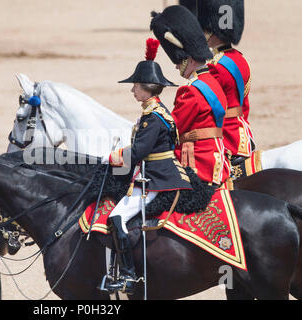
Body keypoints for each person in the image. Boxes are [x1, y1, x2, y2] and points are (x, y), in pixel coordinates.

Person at [101, 38, 193, 294]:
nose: (132, 91)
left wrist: (113, 157)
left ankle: (129, 276)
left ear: (147, 88)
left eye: (135, 86)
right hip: (155, 174)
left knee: (116, 217)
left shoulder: (152, 118)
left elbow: (139, 152)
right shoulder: (155, 112)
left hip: (158, 178)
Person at [150, 5, 230, 186]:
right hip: (217, 159)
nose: (177, 66)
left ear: (191, 59)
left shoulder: (191, 91)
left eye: (180, 61)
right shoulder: (213, 82)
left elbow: (172, 129)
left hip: (199, 164)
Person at [180, 0, 255, 161]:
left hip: (226, 137)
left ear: (211, 32)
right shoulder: (240, 59)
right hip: (242, 134)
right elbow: (243, 104)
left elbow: (206, 108)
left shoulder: (215, 67)